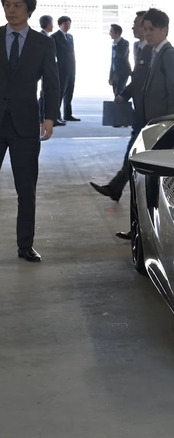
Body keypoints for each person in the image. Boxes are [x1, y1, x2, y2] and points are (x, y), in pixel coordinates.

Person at [1, 0, 61, 262]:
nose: (10, 10)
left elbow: (52, 82)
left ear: (28, 9)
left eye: (16, 5)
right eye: (6, 4)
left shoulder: (43, 43)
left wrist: (49, 117)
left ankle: (25, 245)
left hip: (25, 124)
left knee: (26, 189)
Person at [90, 11, 151, 208]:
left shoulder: (157, 51)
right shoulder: (138, 47)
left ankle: (117, 189)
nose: (133, 27)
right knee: (132, 156)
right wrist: (124, 95)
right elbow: (137, 79)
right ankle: (116, 189)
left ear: (147, 27)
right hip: (140, 113)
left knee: (135, 158)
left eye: (136, 23)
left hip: (150, 115)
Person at [51, 15, 78, 122]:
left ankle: (68, 114)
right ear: (60, 24)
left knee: (69, 93)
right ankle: (57, 116)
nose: (68, 25)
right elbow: (53, 54)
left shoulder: (70, 37)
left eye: (69, 23)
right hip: (61, 69)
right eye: (65, 23)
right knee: (60, 93)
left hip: (71, 69)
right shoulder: (54, 37)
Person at [37, 13, 55, 124]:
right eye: (52, 23)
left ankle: (42, 115)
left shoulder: (45, 36)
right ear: (47, 24)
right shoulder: (42, 37)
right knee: (44, 93)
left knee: (44, 93)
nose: (53, 25)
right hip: (42, 69)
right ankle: (41, 116)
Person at [108, 23, 130, 97]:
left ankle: (121, 108)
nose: (109, 33)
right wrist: (110, 76)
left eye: (111, 31)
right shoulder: (114, 44)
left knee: (120, 93)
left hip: (123, 72)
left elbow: (121, 55)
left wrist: (116, 46)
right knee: (115, 93)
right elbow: (113, 61)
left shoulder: (125, 43)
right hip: (115, 73)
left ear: (117, 33)